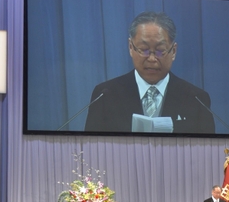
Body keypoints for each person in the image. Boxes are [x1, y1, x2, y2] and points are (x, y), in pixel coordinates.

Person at [84, 11, 215, 134]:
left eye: (160, 50)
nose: (152, 58)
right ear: (131, 47)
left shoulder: (196, 99)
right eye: (144, 49)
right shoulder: (105, 95)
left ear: (174, 51)